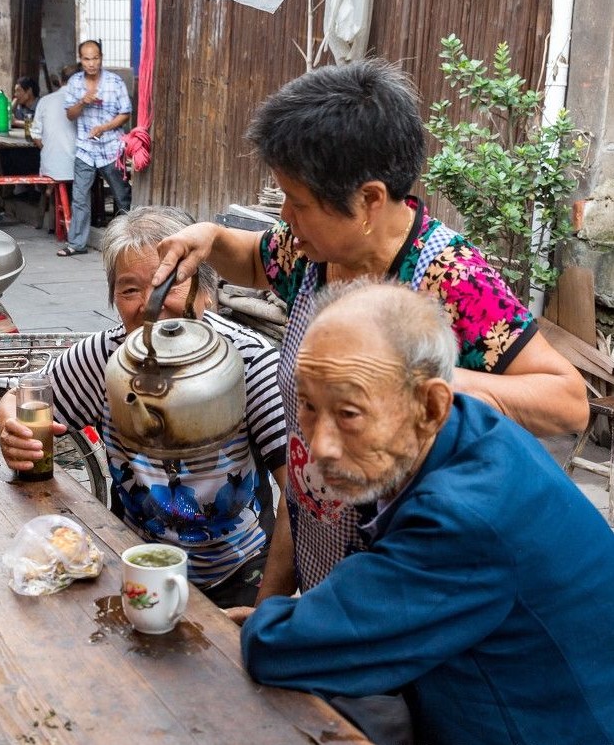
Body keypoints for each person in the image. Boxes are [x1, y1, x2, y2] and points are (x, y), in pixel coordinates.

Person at [153, 59, 588, 602]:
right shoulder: (311, 253)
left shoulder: (451, 278)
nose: (285, 217)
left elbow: (568, 401)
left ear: (370, 200)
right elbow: (253, 259)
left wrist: (417, 383)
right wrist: (210, 238)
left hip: (406, 583)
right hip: (317, 555)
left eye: (300, 202)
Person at [239, 282, 614, 745]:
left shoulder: (461, 520)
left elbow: (275, 648)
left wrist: (273, 622)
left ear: (430, 405)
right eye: (310, 407)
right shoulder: (470, 428)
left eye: (350, 414)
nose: (319, 445)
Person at [0, 207, 287, 607]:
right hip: (134, 566)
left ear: (206, 290)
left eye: (167, 284)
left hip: (237, 576)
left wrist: (267, 609)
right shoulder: (104, 358)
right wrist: (12, 428)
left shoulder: (245, 362)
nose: (150, 305)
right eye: (129, 290)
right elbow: (22, 396)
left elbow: (301, 496)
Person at [58, 39, 132, 257]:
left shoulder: (115, 82)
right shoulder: (74, 83)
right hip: (85, 150)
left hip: (111, 149)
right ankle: (76, 244)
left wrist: (105, 127)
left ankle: (128, 242)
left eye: (95, 58)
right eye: (87, 59)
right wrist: (82, 102)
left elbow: (125, 113)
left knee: (122, 196)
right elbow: (70, 115)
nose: (92, 63)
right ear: (81, 60)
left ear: (101, 58)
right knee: (80, 197)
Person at [31, 64, 79, 230]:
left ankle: (52, 218)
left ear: (60, 80)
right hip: (77, 169)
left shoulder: (45, 101)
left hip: (51, 168)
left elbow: (36, 136)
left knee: (56, 179)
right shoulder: (82, 103)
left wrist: (52, 148)